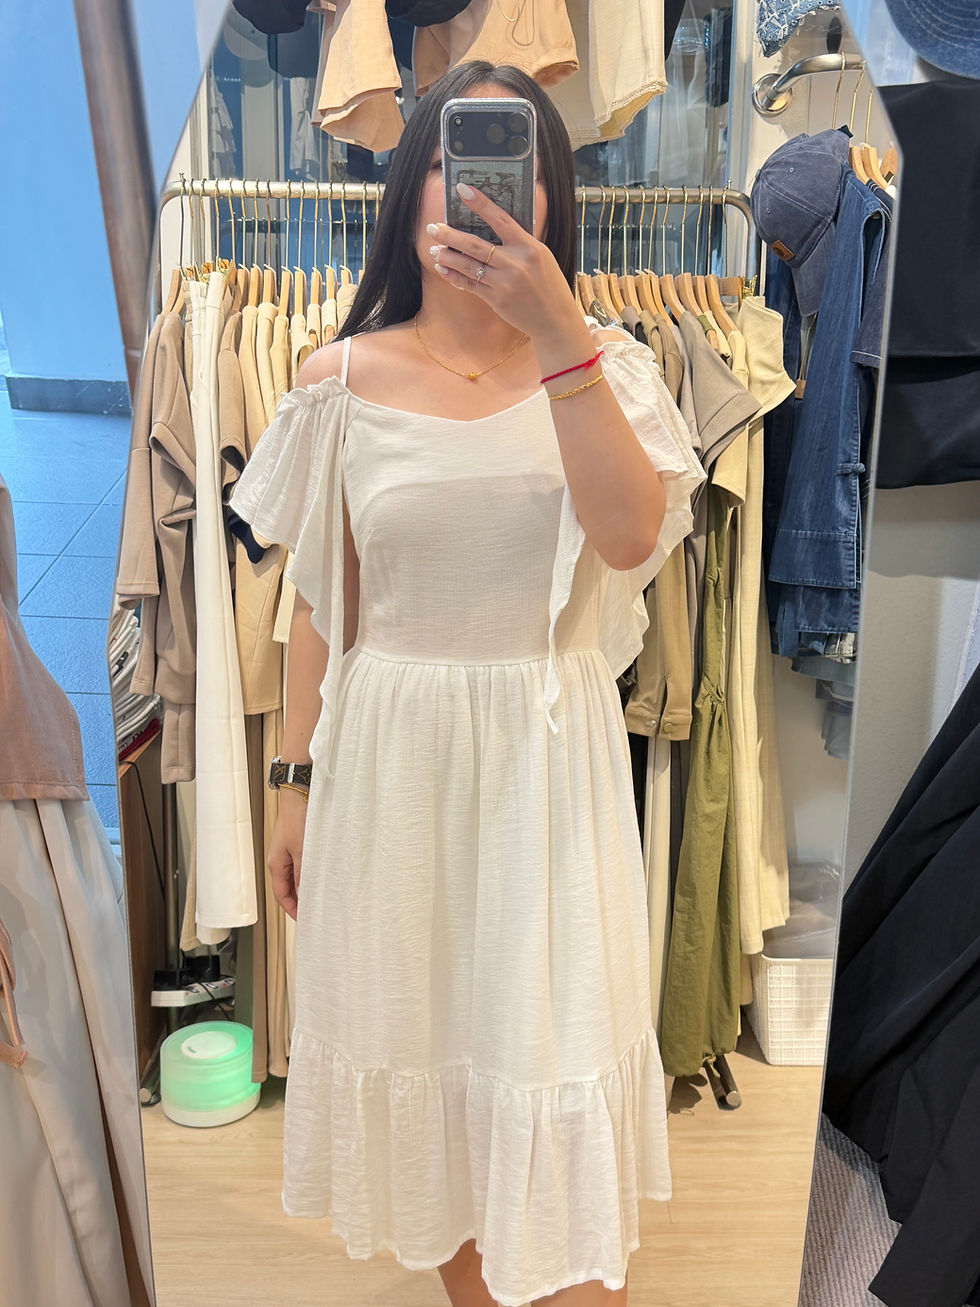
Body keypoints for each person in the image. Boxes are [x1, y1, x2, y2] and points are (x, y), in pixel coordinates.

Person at [229, 58, 704, 1307]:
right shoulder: (335, 382)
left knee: (549, 1055)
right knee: (432, 1058)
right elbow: (320, 602)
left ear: (550, 200)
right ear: (411, 188)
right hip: (393, 773)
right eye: (449, 159)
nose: (477, 189)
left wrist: (557, 338)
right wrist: (291, 782)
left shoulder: (609, 367)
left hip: (545, 773)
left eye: (511, 165)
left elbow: (624, 535)